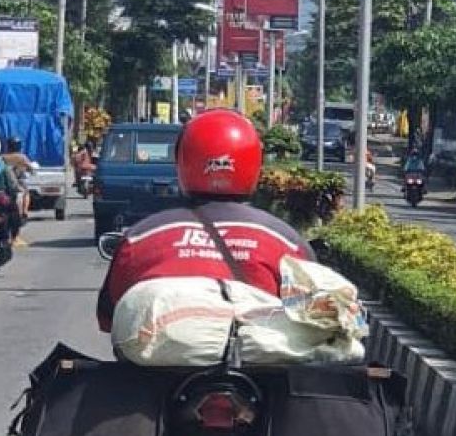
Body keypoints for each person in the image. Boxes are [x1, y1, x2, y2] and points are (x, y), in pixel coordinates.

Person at [97, 109, 316, 332]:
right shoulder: (286, 242)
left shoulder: (141, 238)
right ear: (254, 163)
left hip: (156, 366)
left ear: (183, 160)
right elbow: (313, 318)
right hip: (257, 364)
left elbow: (108, 319)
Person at [2, 136, 36, 222]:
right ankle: (25, 211)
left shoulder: (3, 157)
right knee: (26, 193)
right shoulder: (21, 157)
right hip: (20, 181)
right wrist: (32, 171)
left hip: (6, 182)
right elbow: (30, 168)